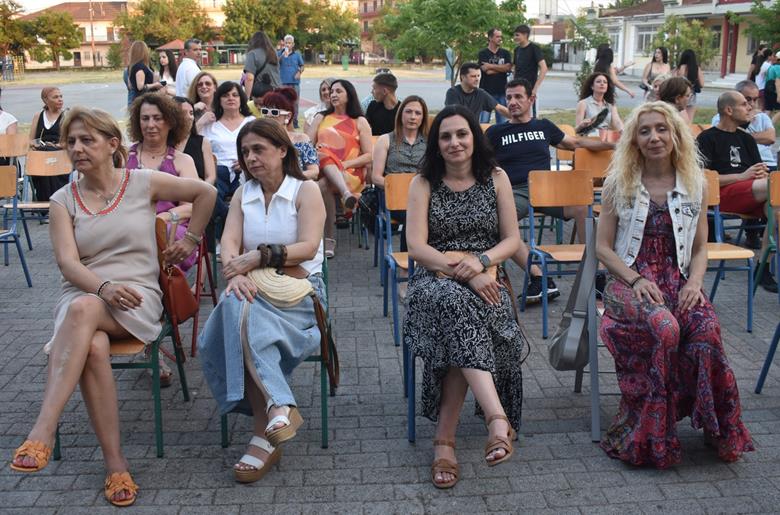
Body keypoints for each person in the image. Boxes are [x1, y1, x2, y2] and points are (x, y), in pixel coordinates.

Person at [9, 106, 215, 506]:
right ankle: (115, 464)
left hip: (136, 296)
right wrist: (102, 287)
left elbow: (205, 193)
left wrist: (190, 240)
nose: (77, 148)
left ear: (112, 144)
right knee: (92, 342)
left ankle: (43, 429)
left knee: (83, 313)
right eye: (71, 141)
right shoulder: (63, 200)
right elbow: (68, 264)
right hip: (85, 292)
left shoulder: (141, 182)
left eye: (87, 140)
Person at [596, 100, 754, 468]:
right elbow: (602, 248)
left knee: (706, 328)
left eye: (661, 129)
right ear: (634, 140)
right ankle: (648, 431)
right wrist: (635, 279)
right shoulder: (619, 183)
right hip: (629, 282)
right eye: (645, 131)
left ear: (675, 135)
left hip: (678, 281)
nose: (654, 137)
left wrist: (695, 283)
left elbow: (699, 248)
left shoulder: (695, 184)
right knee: (665, 328)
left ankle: (718, 428)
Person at [403, 104, 526, 489]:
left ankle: (445, 440)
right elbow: (417, 247)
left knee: (459, 318)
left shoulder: (496, 178)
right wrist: (467, 274)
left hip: (488, 277)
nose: (454, 142)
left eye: (461, 134)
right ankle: (496, 418)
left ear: (474, 137)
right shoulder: (423, 182)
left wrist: (482, 262)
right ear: (436, 144)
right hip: (434, 277)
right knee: (454, 302)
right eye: (445, 136)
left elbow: (512, 240)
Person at [198, 118, 326, 484]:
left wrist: (257, 257)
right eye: (245, 152)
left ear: (282, 150)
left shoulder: (305, 190)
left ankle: (265, 428)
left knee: (236, 314)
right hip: (253, 289)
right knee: (239, 305)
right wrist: (235, 273)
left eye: (259, 149)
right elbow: (228, 243)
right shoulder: (244, 193)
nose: (251, 158)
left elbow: (308, 248)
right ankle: (277, 408)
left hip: (299, 293)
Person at [485, 78, 615, 302]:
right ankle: (540, 278)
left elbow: (576, 143)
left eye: (518, 97)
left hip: (547, 190)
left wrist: (612, 145)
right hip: (514, 192)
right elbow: (477, 159)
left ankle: (597, 275)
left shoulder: (543, 126)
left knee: (583, 208)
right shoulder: (496, 131)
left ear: (531, 99)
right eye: (509, 98)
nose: (512, 102)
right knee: (499, 224)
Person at [697, 91, 778, 292]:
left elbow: (757, 173)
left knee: (777, 211)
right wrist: (742, 176)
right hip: (723, 195)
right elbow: (702, 180)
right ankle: (763, 268)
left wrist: (760, 173)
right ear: (728, 110)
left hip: (753, 192)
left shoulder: (746, 139)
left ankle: (763, 267)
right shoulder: (707, 138)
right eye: (744, 104)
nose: (750, 107)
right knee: (775, 186)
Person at [306, 79, 372, 258]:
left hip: (350, 173)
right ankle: (345, 195)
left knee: (323, 185)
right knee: (324, 156)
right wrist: (316, 148)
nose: (333, 94)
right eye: (331, 92)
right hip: (323, 169)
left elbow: (369, 156)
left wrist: (345, 164)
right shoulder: (321, 117)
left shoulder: (359, 121)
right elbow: (306, 145)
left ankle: (328, 239)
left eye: (338, 91)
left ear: (349, 95)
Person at [371, 95, 428, 252]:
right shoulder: (385, 140)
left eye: (418, 113)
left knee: (425, 213)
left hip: (422, 196)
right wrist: (399, 187)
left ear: (423, 117)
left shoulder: (430, 142)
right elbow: (376, 177)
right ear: (400, 114)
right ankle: (409, 260)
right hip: (394, 198)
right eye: (408, 112)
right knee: (414, 215)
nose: (413, 117)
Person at [201, 81, 256, 224]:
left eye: (235, 95)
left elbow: (259, 148)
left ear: (241, 99)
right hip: (218, 170)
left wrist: (245, 162)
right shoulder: (211, 124)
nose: (230, 98)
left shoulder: (251, 122)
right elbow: (191, 143)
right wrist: (200, 121)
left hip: (246, 170)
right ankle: (227, 221)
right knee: (210, 193)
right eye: (225, 95)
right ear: (219, 99)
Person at [711, 80, 776, 172]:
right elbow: (726, 138)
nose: (752, 104)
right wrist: (747, 122)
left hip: (768, 163)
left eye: (755, 99)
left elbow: (770, 138)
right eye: (748, 99)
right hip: (742, 164)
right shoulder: (722, 117)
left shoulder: (762, 117)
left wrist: (743, 137)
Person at [259, 87, 319, 180]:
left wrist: (288, 180)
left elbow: (314, 171)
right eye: (265, 111)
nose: (268, 115)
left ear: (288, 116)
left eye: (274, 112)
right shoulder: (258, 139)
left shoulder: (301, 139)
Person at [29, 87, 69, 203]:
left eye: (61, 96)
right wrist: (36, 145)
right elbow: (31, 140)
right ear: (45, 100)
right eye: (55, 97)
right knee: (44, 157)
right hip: (42, 154)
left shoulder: (67, 116)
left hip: (60, 155)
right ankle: (47, 202)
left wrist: (58, 145)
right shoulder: (38, 116)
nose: (60, 99)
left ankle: (53, 202)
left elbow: (71, 142)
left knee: (50, 156)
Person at [445, 62, 510, 121]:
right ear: (463, 77)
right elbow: (455, 116)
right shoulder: (453, 93)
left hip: (474, 128)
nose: (477, 79)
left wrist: (515, 117)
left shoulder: (480, 93)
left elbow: (500, 108)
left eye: (478, 76)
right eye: (473, 76)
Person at [173, 96, 216, 185]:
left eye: (191, 113)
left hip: (199, 190)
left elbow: (211, 177)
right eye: (183, 113)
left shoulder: (203, 142)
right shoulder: (163, 142)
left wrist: (200, 188)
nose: (190, 117)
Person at [478, 27, 512, 124]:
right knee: (484, 121)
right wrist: (502, 69)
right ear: (490, 38)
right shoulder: (483, 53)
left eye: (501, 36)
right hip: (486, 92)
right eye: (497, 36)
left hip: (502, 91)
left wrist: (490, 66)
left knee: (502, 122)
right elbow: (486, 71)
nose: (500, 39)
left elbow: (508, 68)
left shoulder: (505, 53)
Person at [512, 24, 547, 116]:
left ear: (525, 35)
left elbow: (544, 68)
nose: (515, 37)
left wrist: (535, 88)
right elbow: (515, 68)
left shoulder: (534, 48)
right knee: (518, 114)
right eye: (514, 35)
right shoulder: (517, 50)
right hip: (517, 88)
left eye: (517, 35)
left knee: (531, 116)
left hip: (530, 89)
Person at [575, 72, 624, 136]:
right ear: (592, 86)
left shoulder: (611, 106)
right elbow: (576, 130)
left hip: (606, 136)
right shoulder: (583, 103)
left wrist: (623, 131)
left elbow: (617, 122)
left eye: (605, 82)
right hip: (589, 137)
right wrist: (581, 125)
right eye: (598, 81)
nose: (602, 84)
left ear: (607, 87)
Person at [243, 31, 281, 100]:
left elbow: (249, 78)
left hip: (262, 96)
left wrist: (246, 98)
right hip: (278, 92)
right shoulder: (274, 53)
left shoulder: (252, 54)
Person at [277, 34, 304, 128]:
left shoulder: (297, 54)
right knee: (282, 102)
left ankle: (295, 122)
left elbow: (302, 65)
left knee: (295, 103)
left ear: (293, 44)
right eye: (286, 43)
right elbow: (276, 63)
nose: (288, 44)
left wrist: (299, 72)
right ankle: (282, 121)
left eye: (290, 43)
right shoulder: (279, 53)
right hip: (283, 82)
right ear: (283, 43)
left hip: (294, 83)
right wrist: (283, 55)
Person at [125, 41, 164, 106]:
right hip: (144, 101)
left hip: (138, 99)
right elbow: (140, 87)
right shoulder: (140, 67)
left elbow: (130, 85)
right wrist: (155, 84)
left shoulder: (132, 66)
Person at [676, 49, 704, 121]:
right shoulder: (697, 68)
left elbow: (679, 81)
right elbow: (702, 84)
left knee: (680, 117)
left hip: (681, 94)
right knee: (689, 119)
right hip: (692, 95)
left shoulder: (682, 67)